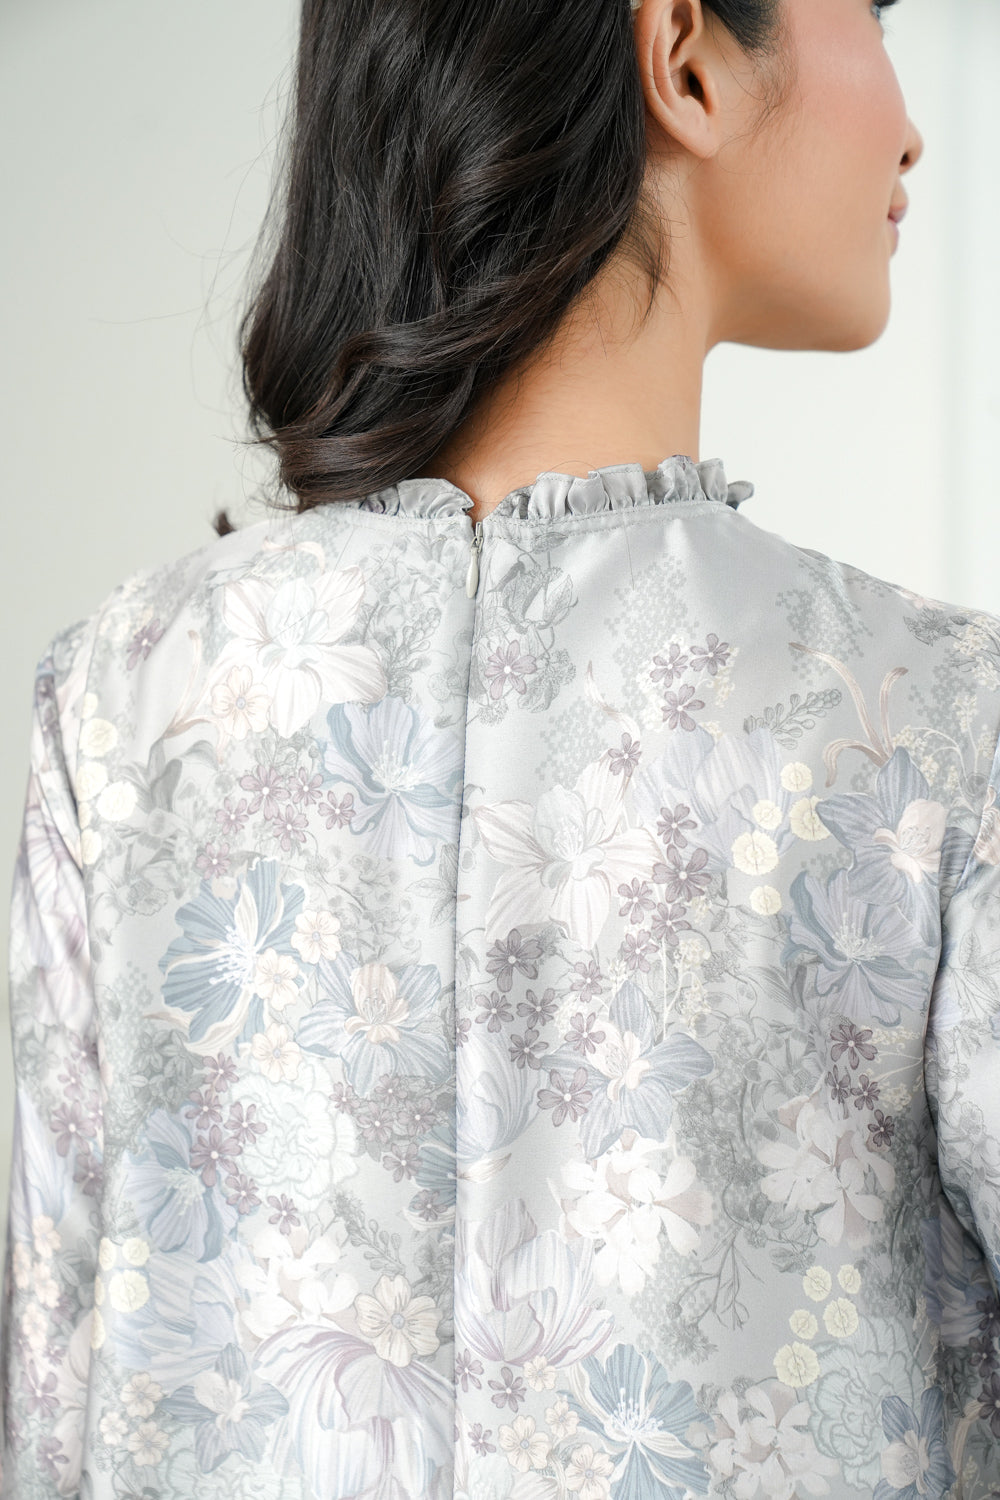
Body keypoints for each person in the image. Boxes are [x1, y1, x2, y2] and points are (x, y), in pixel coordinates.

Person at [10, 0, 1000, 1495]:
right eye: (866, 13)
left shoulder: (125, 700)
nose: (910, 130)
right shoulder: (929, 717)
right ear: (685, 57)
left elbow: (52, 1393)